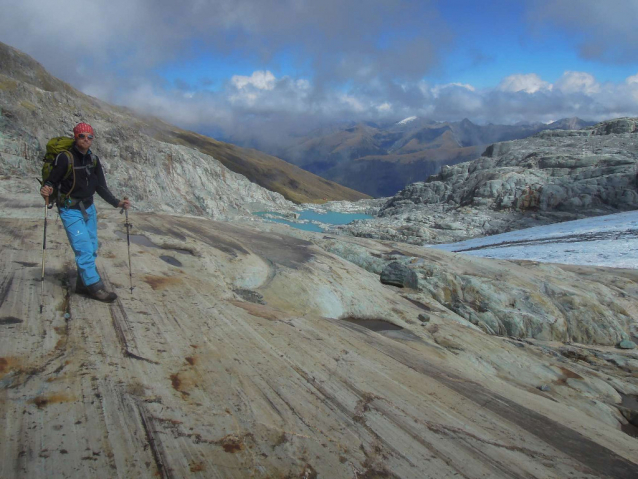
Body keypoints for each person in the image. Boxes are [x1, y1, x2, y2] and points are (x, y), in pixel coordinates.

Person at [40, 122, 131, 303]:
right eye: (82, 136)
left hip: (89, 208)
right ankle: (95, 287)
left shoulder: (93, 159)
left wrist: (117, 203)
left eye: (90, 136)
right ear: (76, 137)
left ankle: (82, 284)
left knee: (92, 245)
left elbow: (100, 186)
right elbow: (51, 181)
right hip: (69, 209)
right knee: (83, 248)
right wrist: (47, 189)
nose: (86, 139)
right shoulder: (65, 158)